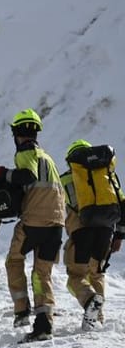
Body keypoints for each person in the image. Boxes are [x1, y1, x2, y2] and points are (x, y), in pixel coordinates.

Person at [0, 108, 65, 340]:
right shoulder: (48, 158)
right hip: (56, 223)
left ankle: (22, 309)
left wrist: (4, 174)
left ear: (17, 133)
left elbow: (28, 177)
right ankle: (44, 324)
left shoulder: (25, 152)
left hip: (34, 222)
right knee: (41, 273)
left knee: (14, 260)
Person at [60, 139, 121, 331]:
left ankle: (89, 300)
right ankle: (97, 319)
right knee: (97, 273)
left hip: (81, 233)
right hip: (106, 231)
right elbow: (121, 203)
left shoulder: (65, 180)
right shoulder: (106, 176)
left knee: (76, 277)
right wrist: (119, 235)